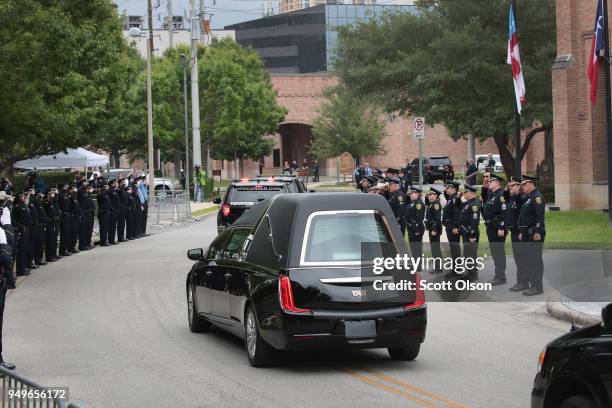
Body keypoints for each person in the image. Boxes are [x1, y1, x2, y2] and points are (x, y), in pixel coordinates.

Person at [518, 175, 546, 296]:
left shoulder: (537, 197)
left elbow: (539, 217)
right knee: (530, 260)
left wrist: (537, 232)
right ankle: (533, 285)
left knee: (535, 261)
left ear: (530, 183)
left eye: (524, 184)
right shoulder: (530, 197)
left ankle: (538, 287)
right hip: (527, 233)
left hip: (534, 233)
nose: (522, 187)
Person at [482, 174, 508, 285]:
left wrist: (502, 227)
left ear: (497, 182)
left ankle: (501, 277)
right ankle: (498, 276)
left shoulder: (501, 195)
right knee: (494, 252)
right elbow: (483, 197)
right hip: (491, 228)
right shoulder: (492, 194)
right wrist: (484, 186)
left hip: (498, 228)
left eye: (491, 181)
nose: (489, 183)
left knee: (498, 252)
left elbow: (504, 212)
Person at [506, 177, 527, 292]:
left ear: (519, 186)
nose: (510, 187)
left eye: (513, 185)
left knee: (521, 259)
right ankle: (521, 282)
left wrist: (520, 231)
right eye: (510, 185)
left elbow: (522, 217)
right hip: (513, 233)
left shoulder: (521, 198)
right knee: (517, 259)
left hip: (519, 233)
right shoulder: (512, 197)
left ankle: (523, 282)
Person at [458, 184, 481, 280]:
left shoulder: (474, 204)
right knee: (468, 254)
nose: (463, 193)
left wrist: (472, 234)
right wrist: (459, 198)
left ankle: (472, 275)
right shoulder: (468, 203)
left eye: (465, 192)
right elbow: (458, 206)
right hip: (465, 233)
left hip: (471, 234)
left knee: (471, 254)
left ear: (470, 192)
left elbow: (474, 221)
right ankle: (470, 273)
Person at [442, 181, 462, 277]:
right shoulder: (451, 198)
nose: (446, 189)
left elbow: (456, 214)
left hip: (453, 227)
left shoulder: (455, 199)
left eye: (448, 187)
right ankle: (455, 269)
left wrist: (455, 226)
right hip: (449, 226)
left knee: (455, 248)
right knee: (453, 249)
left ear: (453, 188)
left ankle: (458, 269)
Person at [405, 186, 425, 269]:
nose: (411, 195)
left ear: (417, 194)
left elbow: (419, 218)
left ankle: (418, 266)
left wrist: (416, 230)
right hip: (411, 228)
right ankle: (415, 264)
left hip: (416, 229)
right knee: (413, 248)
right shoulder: (412, 202)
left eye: (412, 193)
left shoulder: (418, 204)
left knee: (416, 248)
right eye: (410, 194)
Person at [12, 192, 32, 276]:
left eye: (24, 196)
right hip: (21, 230)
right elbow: (15, 219)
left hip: (26, 229)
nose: (24, 197)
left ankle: (23, 268)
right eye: (22, 196)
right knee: (21, 250)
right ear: (19, 197)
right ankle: (20, 270)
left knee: (25, 249)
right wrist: (20, 227)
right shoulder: (17, 207)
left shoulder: (24, 205)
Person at [425, 187, 443, 274]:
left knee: (435, 249)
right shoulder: (432, 204)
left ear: (436, 195)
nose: (429, 196)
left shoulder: (436, 204)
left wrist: (435, 229)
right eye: (429, 194)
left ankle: (438, 268)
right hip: (432, 228)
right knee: (434, 248)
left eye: (431, 194)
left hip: (434, 230)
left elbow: (437, 219)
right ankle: (438, 267)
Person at [43, 189, 60, 261]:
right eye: (51, 194)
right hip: (49, 223)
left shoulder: (52, 202)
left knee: (54, 239)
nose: (52, 195)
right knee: (49, 240)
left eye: (53, 194)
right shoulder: (46, 203)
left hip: (54, 222)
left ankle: (53, 254)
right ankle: (49, 256)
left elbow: (56, 202)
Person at [79, 183, 95, 250]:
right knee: (84, 231)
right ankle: (82, 245)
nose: (91, 189)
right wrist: (86, 190)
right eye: (89, 188)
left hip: (89, 214)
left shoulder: (88, 196)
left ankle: (88, 244)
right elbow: (83, 201)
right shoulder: (83, 195)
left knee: (89, 230)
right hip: (85, 215)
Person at [58, 185, 72, 256]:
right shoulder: (60, 195)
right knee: (64, 234)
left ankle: (65, 249)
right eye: (65, 187)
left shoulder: (66, 195)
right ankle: (62, 250)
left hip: (68, 215)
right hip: (63, 215)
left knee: (67, 233)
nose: (66, 188)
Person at [108, 180, 119, 245]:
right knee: (112, 226)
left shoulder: (114, 190)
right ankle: (111, 240)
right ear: (112, 184)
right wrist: (112, 208)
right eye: (114, 183)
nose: (116, 184)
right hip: (112, 210)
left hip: (115, 210)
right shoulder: (110, 190)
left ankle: (112, 239)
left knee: (114, 225)